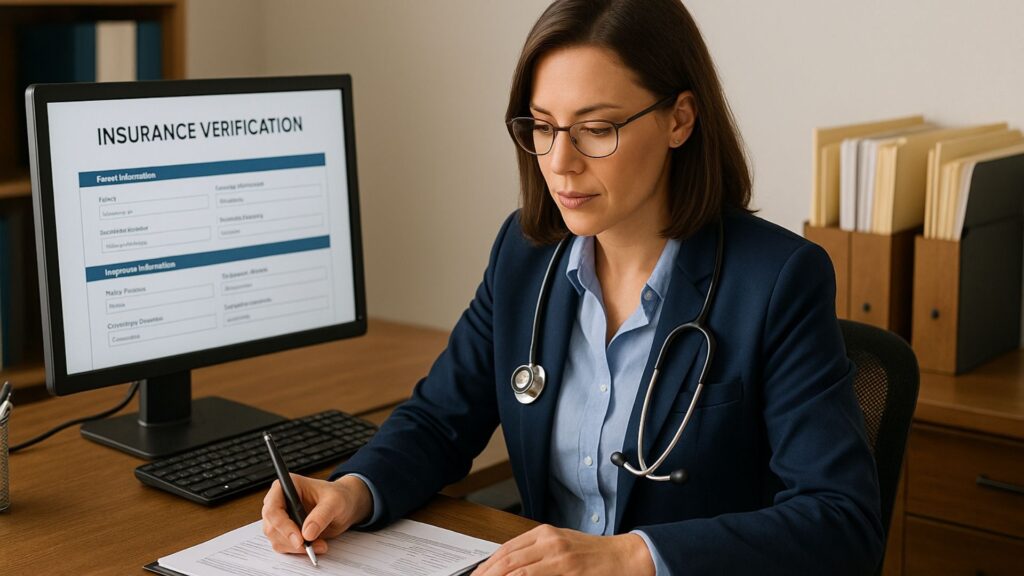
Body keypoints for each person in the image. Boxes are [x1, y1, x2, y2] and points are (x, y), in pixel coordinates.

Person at [261, 0, 884, 574]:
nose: (560, 162)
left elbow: (841, 520)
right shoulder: (525, 256)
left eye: (596, 128)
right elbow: (439, 422)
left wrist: (632, 558)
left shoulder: (777, 280)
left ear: (680, 119)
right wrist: (353, 489)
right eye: (542, 126)